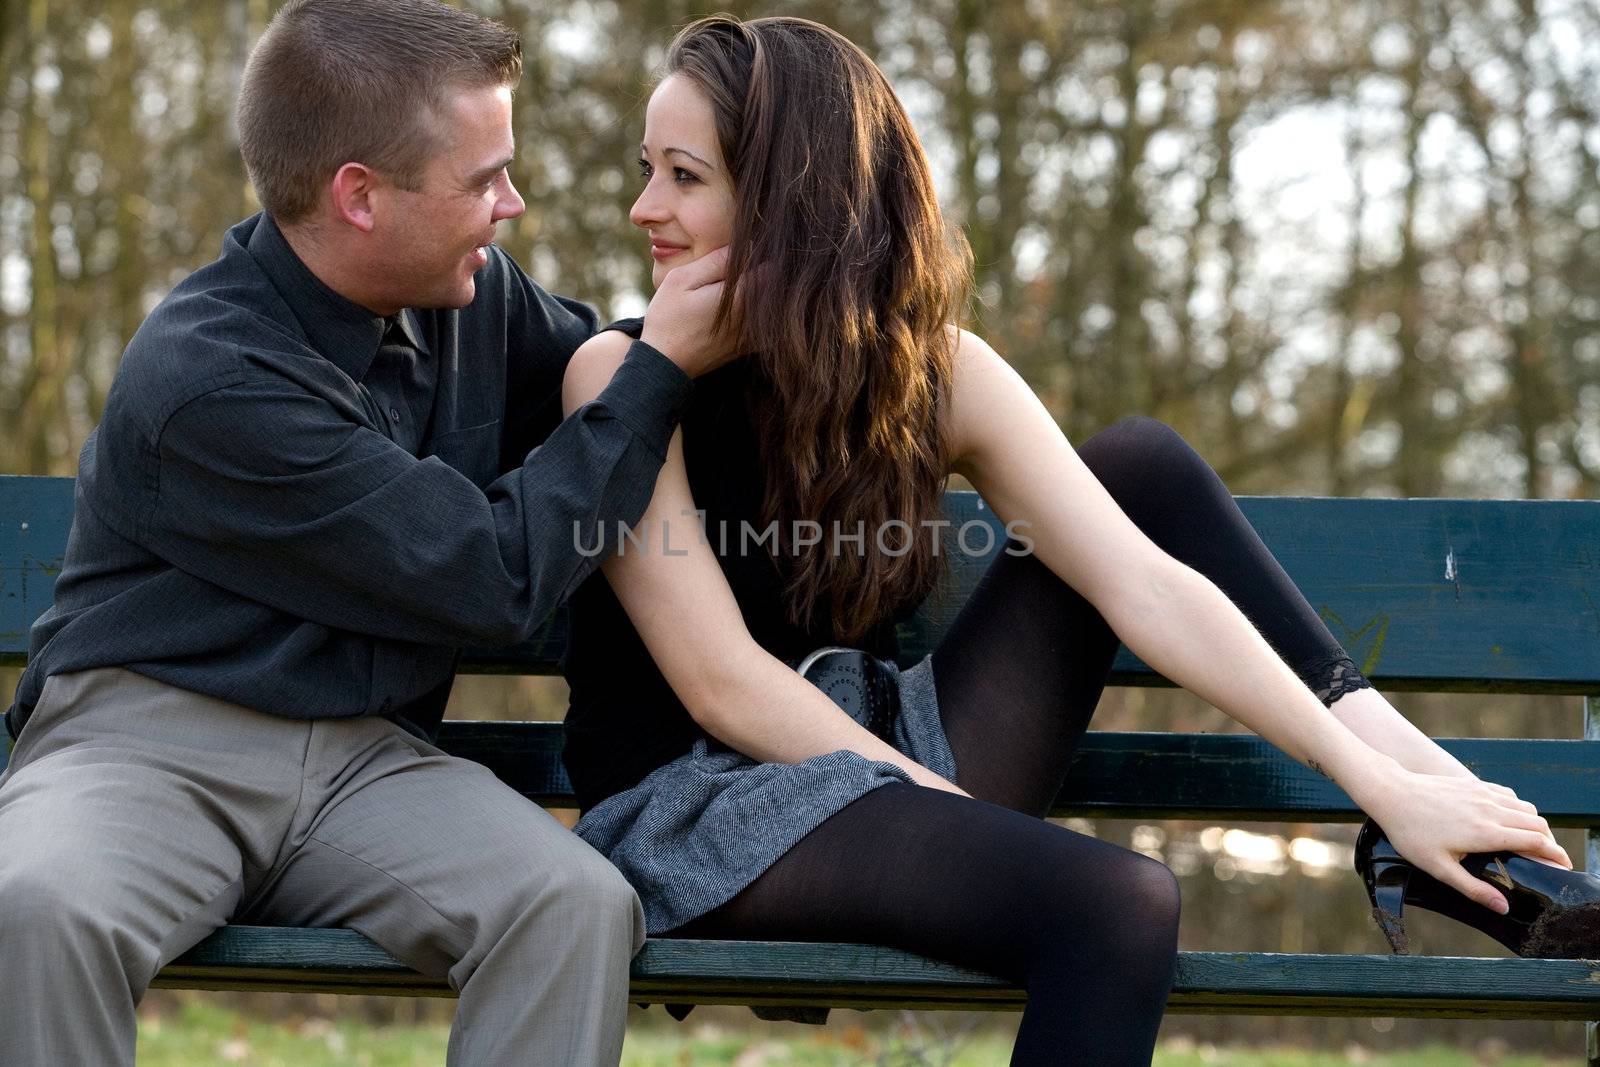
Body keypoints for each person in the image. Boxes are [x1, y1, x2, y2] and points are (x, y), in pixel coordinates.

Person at [557, 15, 1574, 1065]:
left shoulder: (927, 372)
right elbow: (722, 682)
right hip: (699, 806)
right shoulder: (618, 378)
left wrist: (1375, 781)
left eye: (683, 176)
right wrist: (954, 816)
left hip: (878, 750)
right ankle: (1438, 820)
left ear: (787, 198)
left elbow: (1143, 583)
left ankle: (1458, 823)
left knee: (1139, 468)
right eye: (650, 171)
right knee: (1117, 901)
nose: (644, 208)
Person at [0, 1, 735, 1064]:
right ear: (359, 195)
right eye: (484, 179)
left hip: (366, 761)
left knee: (568, 902)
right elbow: (492, 573)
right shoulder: (209, 377)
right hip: (148, 746)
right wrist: (660, 367)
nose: (513, 203)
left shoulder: (469, 296)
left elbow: (613, 378)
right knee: (35, 908)